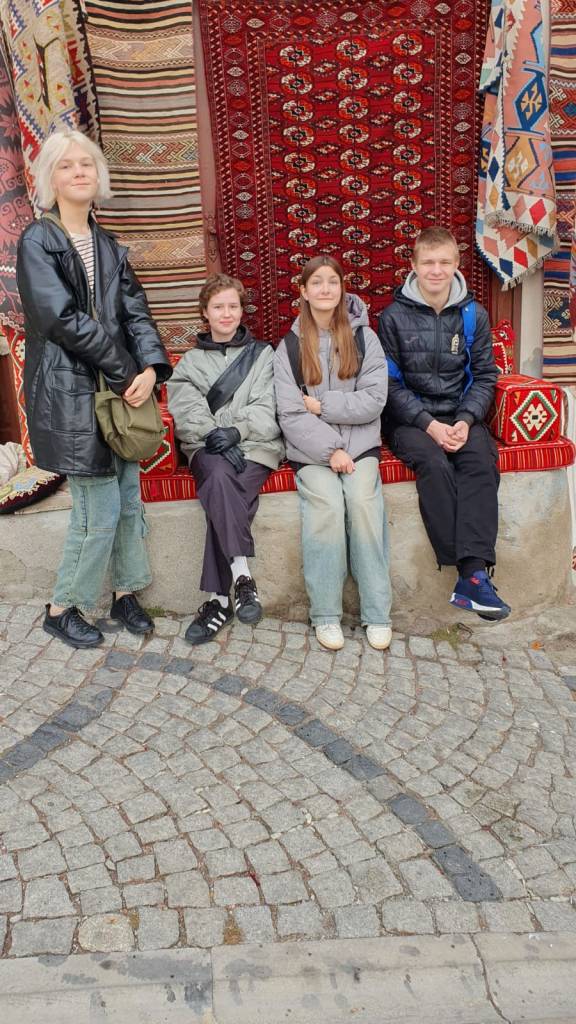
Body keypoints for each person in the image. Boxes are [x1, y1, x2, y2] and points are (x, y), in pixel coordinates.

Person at [17, 129, 172, 648]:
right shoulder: (38, 241)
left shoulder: (107, 244)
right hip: (71, 394)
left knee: (128, 499)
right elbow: (62, 320)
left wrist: (150, 368)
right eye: (66, 165)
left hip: (118, 391)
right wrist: (127, 372)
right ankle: (63, 606)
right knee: (95, 509)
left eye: (86, 163)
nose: (79, 171)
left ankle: (125, 592)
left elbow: (135, 311)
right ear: (50, 178)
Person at [377, 226, 511, 619]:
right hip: (410, 420)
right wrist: (428, 424)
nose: (436, 270)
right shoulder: (393, 317)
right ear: (413, 265)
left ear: (456, 264)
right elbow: (388, 384)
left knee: (480, 462)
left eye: (444, 263)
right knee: (434, 465)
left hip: (459, 414)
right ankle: (470, 573)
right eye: (428, 263)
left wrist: (466, 420)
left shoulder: (473, 315)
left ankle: (473, 578)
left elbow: (485, 376)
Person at [274, 255, 392, 652]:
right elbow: (291, 414)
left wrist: (322, 405)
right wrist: (331, 450)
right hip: (311, 452)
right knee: (325, 508)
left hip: (361, 446)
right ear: (303, 292)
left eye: (332, 282)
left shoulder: (364, 338)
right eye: (317, 282)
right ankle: (325, 614)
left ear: (342, 289)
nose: (325, 289)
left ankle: (377, 614)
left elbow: (373, 400)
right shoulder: (290, 347)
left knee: (362, 505)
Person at [167, 273, 284, 643]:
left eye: (233, 306)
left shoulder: (264, 356)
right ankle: (243, 576)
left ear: (242, 310)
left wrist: (236, 431)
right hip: (207, 448)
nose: (227, 313)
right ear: (205, 312)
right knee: (219, 478)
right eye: (218, 306)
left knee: (222, 492)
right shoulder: (188, 364)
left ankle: (218, 601)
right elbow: (186, 412)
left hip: (255, 448)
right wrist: (215, 436)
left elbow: (269, 405)